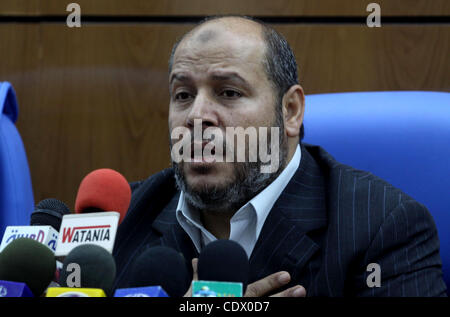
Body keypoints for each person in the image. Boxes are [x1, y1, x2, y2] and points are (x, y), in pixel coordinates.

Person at [112, 15, 447, 296]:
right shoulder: (123, 220)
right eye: (183, 94)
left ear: (290, 111)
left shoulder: (383, 228)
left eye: (228, 92)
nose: (196, 116)